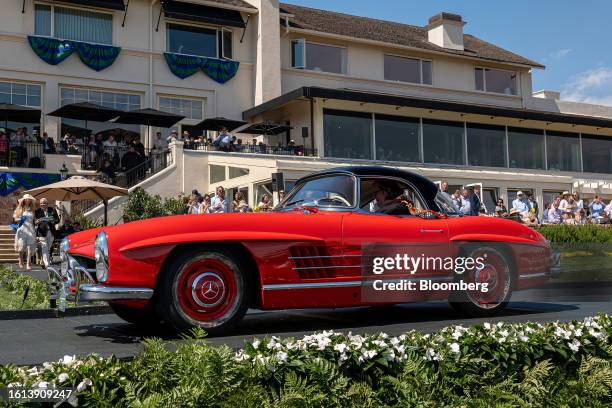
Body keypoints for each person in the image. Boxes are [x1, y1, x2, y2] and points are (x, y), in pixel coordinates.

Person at [34, 198, 59, 268]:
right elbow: (34, 222)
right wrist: (36, 222)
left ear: (47, 204)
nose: (42, 204)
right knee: (44, 246)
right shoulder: (37, 211)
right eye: (41, 203)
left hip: (51, 232)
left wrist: (53, 221)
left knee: (47, 248)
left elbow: (57, 220)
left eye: (44, 203)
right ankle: (47, 264)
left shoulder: (52, 210)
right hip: (42, 232)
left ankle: (42, 260)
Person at [14, 194, 37, 270]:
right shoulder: (20, 209)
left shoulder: (33, 209)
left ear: (30, 200)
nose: (27, 200)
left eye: (29, 199)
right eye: (26, 199)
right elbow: (15, 219)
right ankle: (20, 260)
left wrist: (37, 221)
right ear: (24, 200)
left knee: (29, 247)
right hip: (22, 229)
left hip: (31, 229)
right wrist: (21, 219)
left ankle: (28, 264)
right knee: (21, 247)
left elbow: (34, 220)